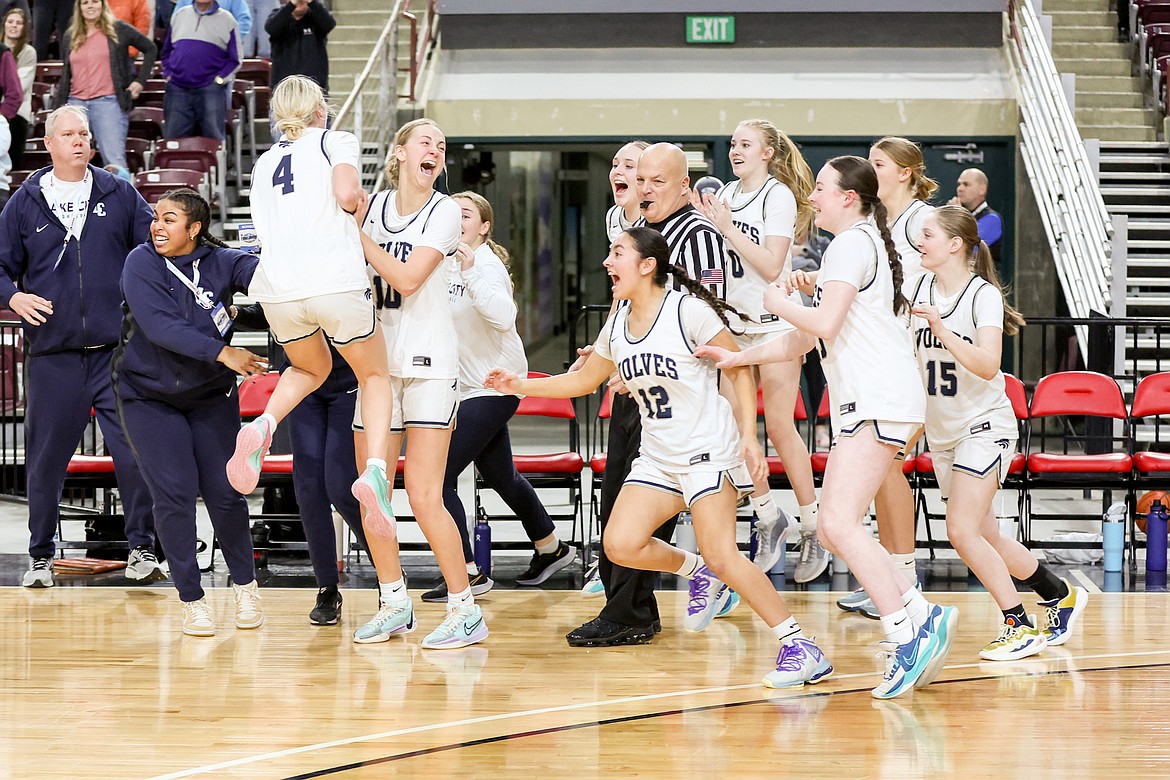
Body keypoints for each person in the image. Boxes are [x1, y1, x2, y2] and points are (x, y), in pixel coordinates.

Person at [487, 227, 834, 689]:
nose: (607, 262)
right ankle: (699, 572)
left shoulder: (686, 309)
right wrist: (519, 384)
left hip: (708, 451)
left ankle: (799, 645)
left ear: (647, 265)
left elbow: (738, 368)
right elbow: (582, 381)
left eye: (617, 253)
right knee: (620, 544)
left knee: (726, 554)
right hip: (658, 455)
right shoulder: (618, 323)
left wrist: (749, 437)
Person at [701, 156, 957, 699]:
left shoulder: (850, 244)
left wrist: (776, 301)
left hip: (877, 402)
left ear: (849, 197)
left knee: (838, 524)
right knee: (841, 522)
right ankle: (917, 614)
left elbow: (820, 324)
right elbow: (804, 342)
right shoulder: (863, 245)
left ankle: (907, 632)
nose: (811, 197)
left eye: (820, 188)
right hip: (882, 402)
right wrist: (738, 359)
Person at [567, 142, 727, 648]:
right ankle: (634, 602)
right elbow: (630, 313)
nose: (645, 187)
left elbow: (705, 323)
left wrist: (642, 359)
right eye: (642, 179)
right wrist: (604, 353)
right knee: (617, 500)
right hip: (642, 388)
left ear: (684, 185)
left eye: (657, 180)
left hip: (677, 402)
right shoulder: (641, 234)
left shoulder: (696, 236)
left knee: (631, 504)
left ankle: (634, 606)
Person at [910, 205, 1088, 658]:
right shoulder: (919, 286)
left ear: (954, 244)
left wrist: (942, 329)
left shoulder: (980, 295)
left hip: (984, 424)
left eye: (927, 234)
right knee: (985, 535)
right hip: (944, 431)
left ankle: (1018, 624)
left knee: (961, 531)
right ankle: (1058, 595)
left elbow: (989, 364)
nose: (918, 241)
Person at [0, 105, 161, 588]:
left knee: (136, 455)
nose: (78, 140)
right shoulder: (24, 203)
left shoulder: (119, 192)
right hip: (54, 355)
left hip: (117, 353)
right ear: (48, 144)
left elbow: (158, 248)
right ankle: (41, 557)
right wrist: (13, 295)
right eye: (68, 133)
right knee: (46, 460)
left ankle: (143, 549)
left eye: (84, 134)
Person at [230, 75, 395, 546]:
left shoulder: (263, 163)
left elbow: (255, 231)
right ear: (320, 108)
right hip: (334, 282)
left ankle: (263, 424)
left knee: (310, 367)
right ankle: (377, 473)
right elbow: (346, 194)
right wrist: (357, 203)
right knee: (374, 376)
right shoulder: (334, 140)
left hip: (279, 289)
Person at [349, 118, 489, 650]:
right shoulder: (374, 205)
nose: (436, 149)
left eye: (442, 145)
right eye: (425, 141)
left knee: (425, 495)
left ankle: (464, 608)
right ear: (401, 152)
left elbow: (407, 279)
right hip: (377, 369)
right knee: (371, 493)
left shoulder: (446, 211)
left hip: (430, 365)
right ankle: (393, 602)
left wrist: (354, 236)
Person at [115, 188, 266, 636]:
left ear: (195, 228)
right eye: (155, 218)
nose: (157, 226)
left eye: (169, 218)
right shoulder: (139, 262)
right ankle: (192, 599)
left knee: (225, 493)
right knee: (174, 495)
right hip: (147, 396)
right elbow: (162, 328)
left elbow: (265, 276)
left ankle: (245, 586)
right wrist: (225, 353)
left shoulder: (222, 261)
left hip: (210, 396)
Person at [431, 190, 572, 603]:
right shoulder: (444, 263)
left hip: (494, 385)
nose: (457, 220)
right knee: (500, 475)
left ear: (484, 227)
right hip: (469, 387)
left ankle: (469, 572)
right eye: (450, 213)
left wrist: (473, 272)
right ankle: (551, 548)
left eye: (466, 215)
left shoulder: (484, 264)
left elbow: (504, 317)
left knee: (438, 477)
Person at [699, 118, 820, 582]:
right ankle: (768, 516)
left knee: (781, 426)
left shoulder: (778, 196)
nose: (735, 150)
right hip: (734, 325)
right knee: (736, 431)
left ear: (768, 152)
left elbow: (772, 266)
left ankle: (811, 528)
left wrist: (727, 229)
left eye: (745, 144)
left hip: (775, 323)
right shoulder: (725, 194)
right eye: (731, 143)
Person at [831, 135, 937, 620]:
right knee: (883, 473)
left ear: (906, 173)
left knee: (900, 474)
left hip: (915, 356)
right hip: (889, 355)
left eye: (879, 163)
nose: (871, 169)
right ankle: (897, 578)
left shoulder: (920, 221)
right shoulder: (877, 225)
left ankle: (903, 582)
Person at [580, 138, 648, 598]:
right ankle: (615, 572)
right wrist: (607, 348)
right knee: (621, 478)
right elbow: (622, 295)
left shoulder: (663, 228)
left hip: (666, 376)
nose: (618, 171)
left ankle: (710, 569)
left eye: (632, 165)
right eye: (617, 164)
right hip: (632, 363)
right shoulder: (614, 220)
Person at [52, 0, 157, 172]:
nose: (90, 6)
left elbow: (150, 48)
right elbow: (66, 74)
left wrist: (140, 81)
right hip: (75, 104)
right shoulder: (70, 35)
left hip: (108, 103)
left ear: (103, 5)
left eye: (95, 2)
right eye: (85, 3)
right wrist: (58, 108)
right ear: (79, 7)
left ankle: (124, 199)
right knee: (70, 161)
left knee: (114, 161)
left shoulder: (118, 29)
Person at [160, 0, 240, 141]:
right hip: (177, 88)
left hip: (210, 89)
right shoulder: (180, 15)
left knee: (214, 139)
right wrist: (168, 74)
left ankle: (218, 163)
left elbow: (235, 59)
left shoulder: (227, 20)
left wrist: (219, 79)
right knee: (173, 140)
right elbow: (166, 51)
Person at [265, 0, 334, 143]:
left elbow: (329, 24)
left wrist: (312, 2)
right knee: (283, 144)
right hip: (284, 97)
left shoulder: (315, 19)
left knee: (317, 145)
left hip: (315, 95)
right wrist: (291, 5)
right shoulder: (278, 17)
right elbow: (271, 28)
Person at [953, 168, 1004, 273]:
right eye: (959, 184)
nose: (960, 189)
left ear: (982, 189)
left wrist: (958, 216)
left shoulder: (992, 219)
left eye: (966, 184)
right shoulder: (962, 213)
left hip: (982, 282)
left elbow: (967, 249)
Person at [2, 7, 33, 171]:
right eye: (10, 22)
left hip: (17, 112)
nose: (14, 26)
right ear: (4, 25)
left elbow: (17, 87)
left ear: (24, 28)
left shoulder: (29, 52)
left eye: (19, 23)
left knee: (13, 164)